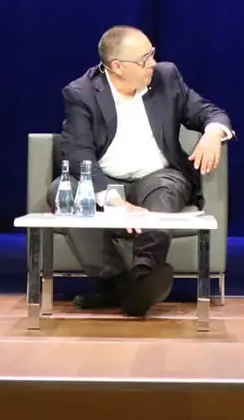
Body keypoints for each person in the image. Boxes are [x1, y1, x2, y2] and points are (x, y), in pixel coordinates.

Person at [53, 26, 233, 318]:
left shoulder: (166, 77)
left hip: (158, 176)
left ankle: (144, 273)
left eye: (152, 55)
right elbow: (78, 153)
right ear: (117, 67)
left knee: (165, 190)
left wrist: (213, 133)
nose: (152, 63)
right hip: (107, 182)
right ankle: (122, 286)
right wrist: (113, 200)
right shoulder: (81, 93)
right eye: (144, 59)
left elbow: (209, 112)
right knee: (60, 192)